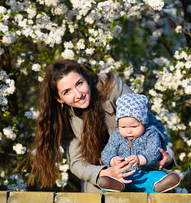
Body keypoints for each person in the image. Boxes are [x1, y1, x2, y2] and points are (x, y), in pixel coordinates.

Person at [28, 59, 176, 192]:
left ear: (85, 78)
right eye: (67, 92)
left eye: (79, 83)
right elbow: (77, 162)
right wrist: (105, 172)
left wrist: (167, 156)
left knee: (154, 183)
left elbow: (150, 123)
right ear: (59, 98)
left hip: (140, 166)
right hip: (104, 178)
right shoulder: (64, 118)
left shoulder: (111, 87)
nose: (78, 94)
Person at [98, 93, 180, 193]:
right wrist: (112, 160)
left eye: (134, 127)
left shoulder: (151, 134)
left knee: (158, 176)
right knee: (113, 178)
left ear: (144, 123)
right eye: (123, 127)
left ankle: (159, 185)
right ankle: (117, 186)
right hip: (124, 175)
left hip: (147, 173)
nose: (128, 131)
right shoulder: (116, 136)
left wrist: (140, 159)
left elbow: (154, 152)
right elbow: (106, 153)